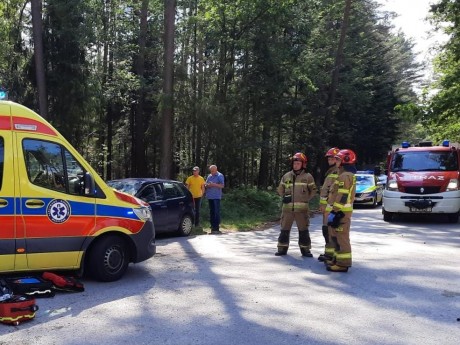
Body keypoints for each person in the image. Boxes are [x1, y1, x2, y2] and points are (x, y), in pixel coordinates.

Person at [276, 152, 317, 257]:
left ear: (303, 164)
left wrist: (305, 199)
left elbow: (313, 190)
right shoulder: (286, 176)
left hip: (302, 210)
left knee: (303, 230)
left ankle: (305, 250)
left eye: (298, 163)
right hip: (287, 209)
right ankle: (282, 249)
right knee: (284, 229)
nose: (296, 165)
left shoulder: (308, 177)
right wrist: (284, 196)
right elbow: (280, 189)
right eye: (294, 163)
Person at [325, 149, 357, 272]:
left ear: (345, 160)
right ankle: (337, 260)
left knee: (342, 238)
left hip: (341, 212)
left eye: (338, 159)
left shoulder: (345, 176)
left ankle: (343, 264)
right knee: (336, 236)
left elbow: (342, 195)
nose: (336, 161)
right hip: (340, 211)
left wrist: (335, 210)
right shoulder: (343, 174)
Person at [318, 147, 340, 262]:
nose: (329, 160)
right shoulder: (330, 171)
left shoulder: (338, 172)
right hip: (328, 206)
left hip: (332, 207)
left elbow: (328, 190)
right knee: (326, 230)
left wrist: (324, 204)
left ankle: (332, 254)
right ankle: (329, 253)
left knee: (331, 231)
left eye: (332, 158)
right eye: (329, 158)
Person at [205, 165, 225, 234]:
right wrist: (208, 185)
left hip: (216, 197)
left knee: (216, 212)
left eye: (213, 171)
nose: (212, 172)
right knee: (211, 212)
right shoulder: (209, 176)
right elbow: (205, 185)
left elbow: (222, 185)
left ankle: (216, 228)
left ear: (216, 169)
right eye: (211, 171)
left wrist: (213, 184)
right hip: (210, 196)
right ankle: (212, 227)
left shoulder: (220, 175)